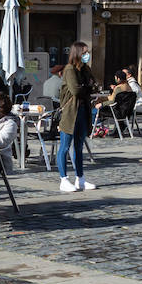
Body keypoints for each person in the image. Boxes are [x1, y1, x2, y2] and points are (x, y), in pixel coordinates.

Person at [57, 41, 97, 193]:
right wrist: (86, 87)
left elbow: (93, 84)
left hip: (82, 111)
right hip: (70, 112)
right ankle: (63, 179)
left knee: (79, 146)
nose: (87, 55)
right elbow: (76, 90)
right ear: (78, 53)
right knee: (65, 146)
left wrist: (86, 87)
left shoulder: (85, 69)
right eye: (85, 52)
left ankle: (80, 178)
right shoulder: (69, 69)